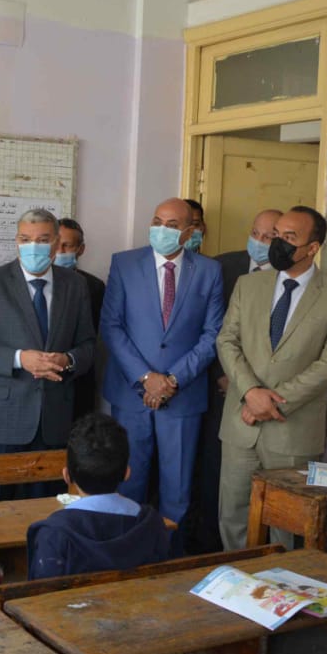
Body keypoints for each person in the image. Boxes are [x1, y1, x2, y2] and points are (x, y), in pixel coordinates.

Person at [216, 205, 327, 550]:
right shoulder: (248, 285)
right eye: (276, 234)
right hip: (241, 425)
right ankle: (235, 580)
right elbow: (227, 341)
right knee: (233, 516)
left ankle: (283, 582)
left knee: (288, 524)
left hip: (292, 429)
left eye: (289, 237)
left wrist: (273, 402)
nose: (277, 242)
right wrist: (251, 392)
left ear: (313, 248)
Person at [101, 198, 224, 531]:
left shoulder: (209, 271)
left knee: (177, 489)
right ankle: (127, 550)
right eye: (157, 221)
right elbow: (111, 326)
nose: (161, 230)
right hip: (132, 394)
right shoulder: (124, 264)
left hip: (182, 395)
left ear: (189, 231)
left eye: (171, 225)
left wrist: (172, 380)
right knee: (128, 482)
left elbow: (212, 334)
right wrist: (146, 377)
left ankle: (170, 554)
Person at [0, 209, 96, 502]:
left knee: (47, 510)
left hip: (55, 421)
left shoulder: (75, 285)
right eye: (25, 239)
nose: (33, 247)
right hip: (1, 421)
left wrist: (68, 360)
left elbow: (88, 345)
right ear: (17, 241)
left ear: (57, 243)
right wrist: (20, 358)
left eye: (42, 240)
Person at [185, 208, 281, 554]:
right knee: (214, 475)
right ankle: (210, 548)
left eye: (269, 237)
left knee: (269, 489)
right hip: (218, 390)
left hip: (271, 398)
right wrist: (222, 377)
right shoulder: (222, 267)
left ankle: (265, 554)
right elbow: (206, 330)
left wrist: (248, 387)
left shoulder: (290, 276)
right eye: (255, 233)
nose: (259, 242)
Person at [27, 413, 170, 580]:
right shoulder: (152, 523)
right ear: (127, 473)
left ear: (67, 476)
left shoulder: (53, 534)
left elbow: (41, 588)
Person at [56, 217, 106, 420]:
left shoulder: (94, 286)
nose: (59, 251)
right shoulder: (33, 283)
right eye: (55, 244)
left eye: (67, 245)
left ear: (80, 249)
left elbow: (94, 336)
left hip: (78, 380)